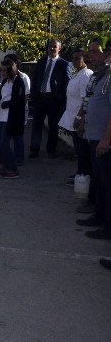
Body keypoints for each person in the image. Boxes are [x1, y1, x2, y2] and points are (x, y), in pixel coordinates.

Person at [77, 44, 111, 240]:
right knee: (99, 180)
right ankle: (99, 216)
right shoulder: (101, 76)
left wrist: (106, 138)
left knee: (106, 184)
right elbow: (92, 102)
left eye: (105, 53)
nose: (101, 57)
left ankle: (107, 224)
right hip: (94, 135)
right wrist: (84, 121)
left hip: (103, 139)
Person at [29, 39, 71, 159]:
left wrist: (60, 98)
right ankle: (34, 149)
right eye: (50, 46)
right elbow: (35, 78)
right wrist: (34, 93)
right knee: (36, 125)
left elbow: (66, 83)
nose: (52, 49)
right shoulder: (41, 62)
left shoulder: (64, 64)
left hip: (54, 99)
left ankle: (51, 150)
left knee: (53, 126)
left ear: (59, 49)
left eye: (54, 47)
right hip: (40, 98)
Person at [57, 49, 93, 187]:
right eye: (74, 58)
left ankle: (84, 174)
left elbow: (85, 99)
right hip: (72, 116)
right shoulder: (76, 73)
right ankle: (81, 172)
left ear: (85, 59)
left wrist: (80, 116)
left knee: (82, 149)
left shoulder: (85, 74)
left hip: (79, 118)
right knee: (78, 149)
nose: (75, 61)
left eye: (78, 58)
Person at [0, 58, 26, 179]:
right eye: (1, 69)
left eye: (4, 70)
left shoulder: (18, 81)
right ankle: (6, 166)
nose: (1, 72)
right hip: (1, 116)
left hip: (10, 117)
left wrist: (4, 104)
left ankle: (13, 169)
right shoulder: (5, 81)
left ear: (10, 70)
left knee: (4, 143)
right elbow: (2, 96)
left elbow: (18, 100)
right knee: (1, 143)